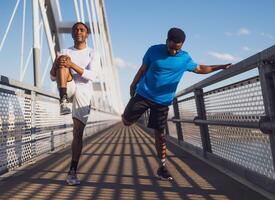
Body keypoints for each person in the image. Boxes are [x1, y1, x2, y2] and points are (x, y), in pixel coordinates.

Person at [122, 27, 231, 181]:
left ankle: (162, 167)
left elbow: (200, 68)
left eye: (177, 48)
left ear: (182, 46)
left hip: (162, 101)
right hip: (143, 94)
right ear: (167, 41)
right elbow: (142, 70)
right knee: (126, 122)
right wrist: (133, 85)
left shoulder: (184, 58)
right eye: (171, 47)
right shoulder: (153, 51)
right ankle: (128, 115)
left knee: (160, 134)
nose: (173, 51)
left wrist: (220, 66)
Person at [50, 22, 98, 185]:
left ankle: (72, 171)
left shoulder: (92, 53)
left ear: (87, 34)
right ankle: (63, 100)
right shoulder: (65, 51)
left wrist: (71, 65)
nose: (78, 31)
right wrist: (58, 64)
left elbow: (92, 76)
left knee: (77, 134)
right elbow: (52, 76)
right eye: (75, 30)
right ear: (71, 34)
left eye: (82, 30)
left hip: (84, 92)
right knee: (63, 62)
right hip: (68, 86)